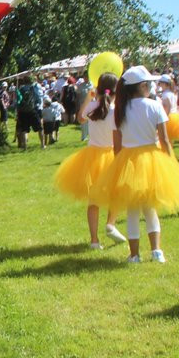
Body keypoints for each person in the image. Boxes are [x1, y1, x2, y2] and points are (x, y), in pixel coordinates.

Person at [93, 67, 179, 264]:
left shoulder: (120, 110)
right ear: (143, 86)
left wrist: (120, 169)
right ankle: (156, 251)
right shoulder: (154, 106)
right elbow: (164, 139)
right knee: (150, 209)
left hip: (128, 161)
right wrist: (171, 163)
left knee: (133, 211)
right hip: (151, 158)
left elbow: (117, 147)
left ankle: (134, 254)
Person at [54, 72, 125, 249]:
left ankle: (94, 240)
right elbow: (117, 141)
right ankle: (111, 223)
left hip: (92, 156)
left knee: (93, 201)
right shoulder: (115, 111)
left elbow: (80, 118)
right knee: (115, 194)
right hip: (109, 155)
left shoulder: (92, 106)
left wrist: (88, 97)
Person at [15, 75, 45, 150]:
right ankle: (42, 145)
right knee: (40, 128)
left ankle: (24, 146)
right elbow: (38, 99)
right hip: (32, 110)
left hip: (22, 111)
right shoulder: (33, 88)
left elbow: (18, 100)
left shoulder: (21, 88)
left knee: (24, 129)